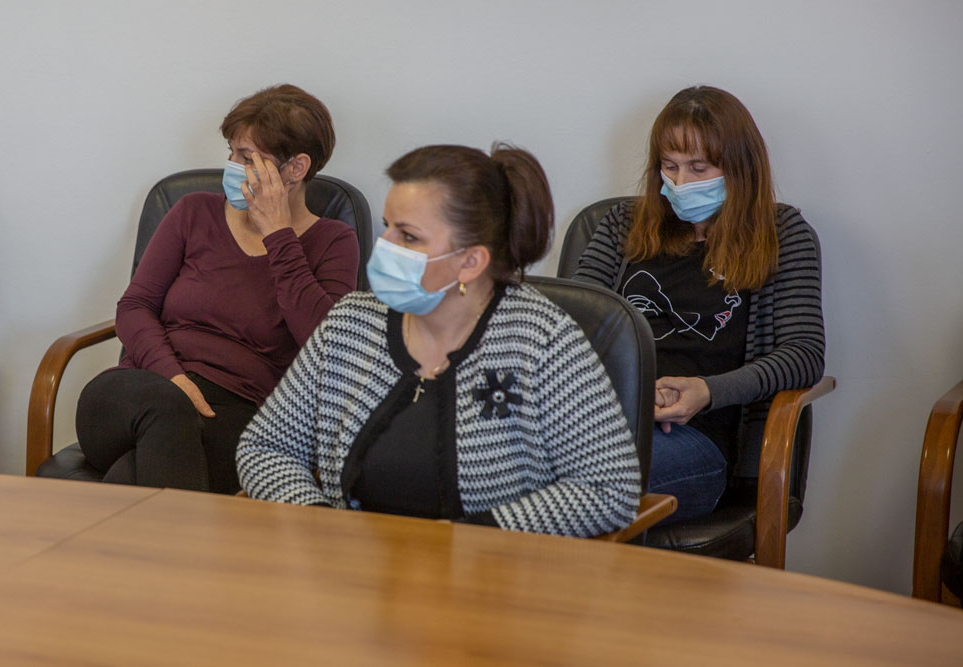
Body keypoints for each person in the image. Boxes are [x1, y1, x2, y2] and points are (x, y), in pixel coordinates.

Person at [236, 143, 640, 537]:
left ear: (470, 262)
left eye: (409, 236)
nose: (384, 246)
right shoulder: (350, 322)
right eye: (388, 226)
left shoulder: (543, 340)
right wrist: (320, 522)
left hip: (491, 571)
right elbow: (265, 446)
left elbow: (610, 489)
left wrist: (471, 539)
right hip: (353, 570)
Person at [76, 84, 359, 494]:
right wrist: (173, 377)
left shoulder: (332, 241)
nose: (231, 166)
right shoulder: (193, 212)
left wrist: (278, 235)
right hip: (140, 389)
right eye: (232, 152)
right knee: (167, 411)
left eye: (246, 157)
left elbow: (327, 347)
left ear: (296, 168)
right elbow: (135, 306)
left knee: (133, 475)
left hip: (236, 413)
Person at [574, 86, 825, 522]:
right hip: (604, 419)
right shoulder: (622, 226)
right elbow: (573, 326)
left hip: (699, 439)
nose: (680, 182)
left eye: (698, 167)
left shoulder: (782, 235)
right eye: (669, 166)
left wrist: (706, 392)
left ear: (739, 167)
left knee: (584, 480)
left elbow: (803, 355)